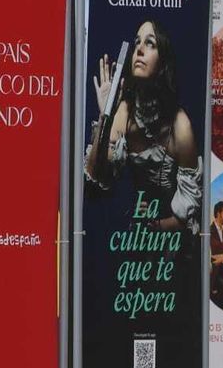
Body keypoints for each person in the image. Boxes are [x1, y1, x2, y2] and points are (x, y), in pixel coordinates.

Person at [84, 19, 202, 234]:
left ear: (163, 60)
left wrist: (156, 226)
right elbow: (96, 176)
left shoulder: (180, 126)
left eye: (150, 43)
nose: (139, 49)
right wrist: (105, 117)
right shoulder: (124, 112)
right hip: (134, 235)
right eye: (137, 42)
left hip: (173, 242)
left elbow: (190, 216)